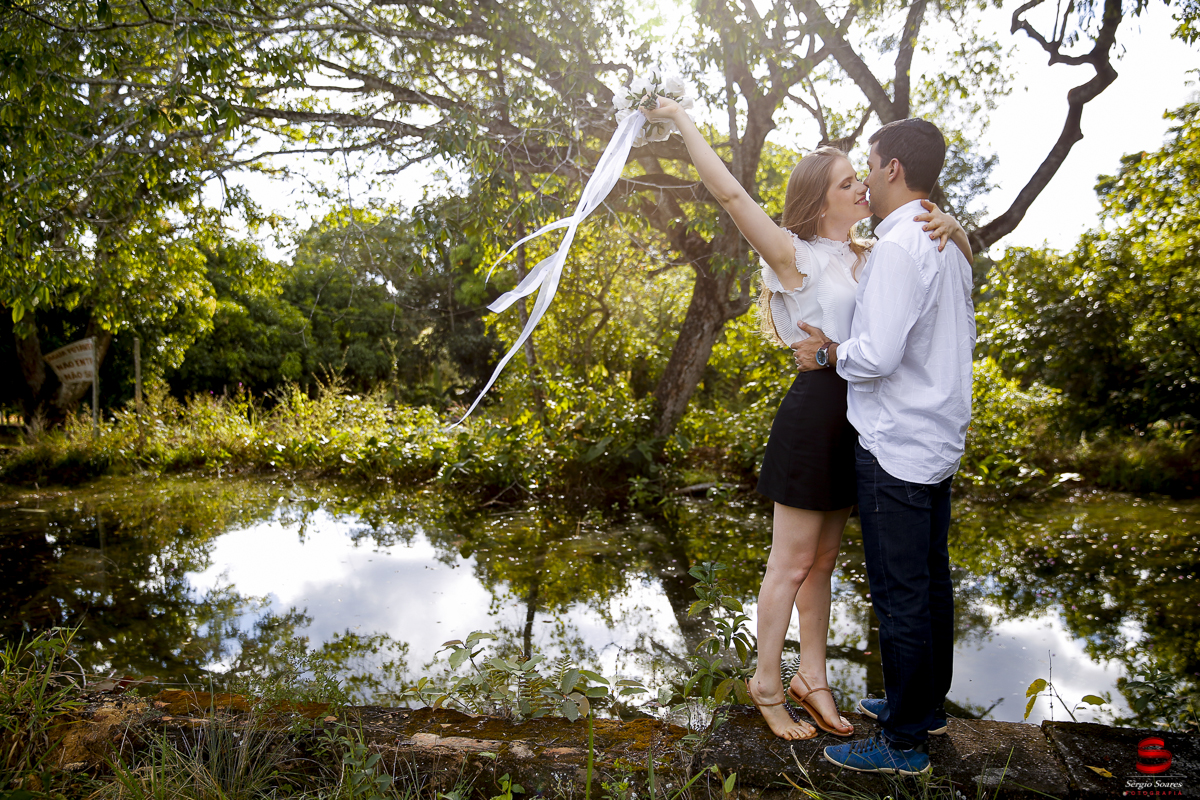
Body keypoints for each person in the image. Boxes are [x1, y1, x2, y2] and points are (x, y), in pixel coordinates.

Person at [642, 99, 973, 741]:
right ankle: (767, 682)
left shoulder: (872, 251)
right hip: (812, 416)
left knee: (823, 563)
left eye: (863, 175)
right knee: (789, 564)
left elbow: (921, 268)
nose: (862, 185)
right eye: (849, 180)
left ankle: (812, 679)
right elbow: (734, 196)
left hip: (859, 417)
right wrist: (683, 121)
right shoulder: (793, 254)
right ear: (822, 200)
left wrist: (953, 225)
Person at [791, 118, 975, 775]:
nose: (866, 177)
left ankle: (901, 744)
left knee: (900, 592)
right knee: (929, 580)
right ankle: (921, 707)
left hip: (898, 439)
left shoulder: (905, 243)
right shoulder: (942, 237)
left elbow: (879, 353)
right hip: (937, 434)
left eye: (869, 164)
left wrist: (831, 351)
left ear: (893, 167)